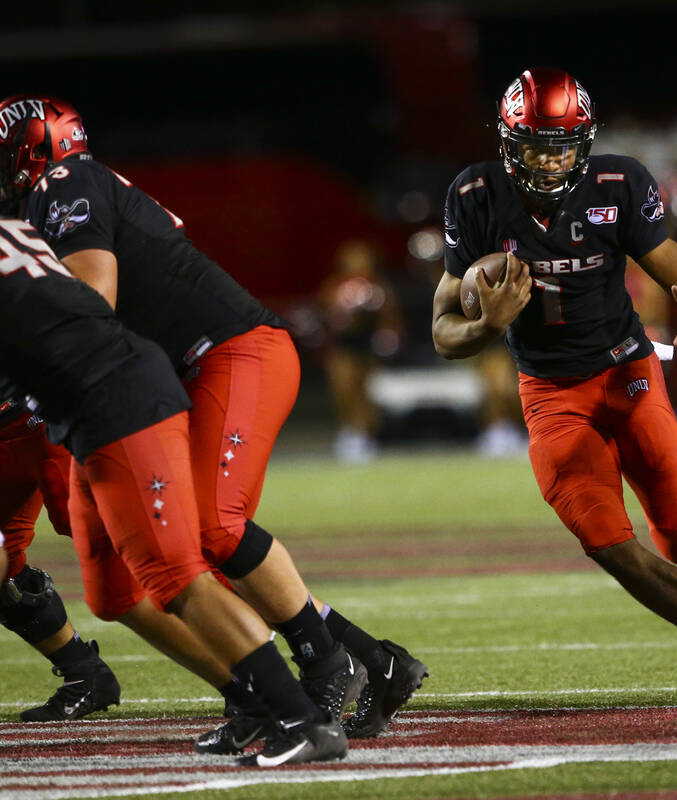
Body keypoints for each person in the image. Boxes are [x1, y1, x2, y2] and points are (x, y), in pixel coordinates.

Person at [0, 94, 427, 742]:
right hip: (176, 372)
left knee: (209, 527)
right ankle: (369, 660)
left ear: (30, 153)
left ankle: (322, 666)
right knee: (130, 577)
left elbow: (91, 301)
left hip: (230, 351)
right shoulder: (50, 202)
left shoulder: (67, 181)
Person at [432, 67, 677, 706]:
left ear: (587, 140)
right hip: (549, 395)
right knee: (607, 543)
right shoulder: (475, 195)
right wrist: (485, 324)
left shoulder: (619, 181)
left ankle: (676, 540)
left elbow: (666, 255)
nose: (550, 160)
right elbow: (442, 331)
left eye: (563, 143)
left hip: (628, 373)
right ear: (508, 144)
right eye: (537, 144)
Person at [0, 216, 345, 765]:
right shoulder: (15, 227)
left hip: (116, 402)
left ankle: (302, 717)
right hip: (85, 408)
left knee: (174, 573)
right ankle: (251, 701)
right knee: (112, 595)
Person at [0, 399, 122, 721]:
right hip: (11, 433)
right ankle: (85, 674)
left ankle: (246, 669)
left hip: (40, 422)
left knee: (125, 540)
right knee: (6, 566)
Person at [318, 239, 402, 463]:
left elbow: (390, 317)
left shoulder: (379, 287)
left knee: (366, 391)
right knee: (344, 387)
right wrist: (343, 316)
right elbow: (328, 316)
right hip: (344, 346)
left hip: (368, 348)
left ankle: (366, 434)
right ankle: (350, 431)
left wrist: (387, 335)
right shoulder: (334, 286)